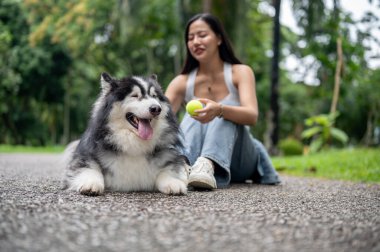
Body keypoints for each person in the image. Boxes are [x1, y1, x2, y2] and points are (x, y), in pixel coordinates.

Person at [165, 13, 280, 190]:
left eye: (202, 35)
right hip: (193, 158)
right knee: (192, 112)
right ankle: (182, 166)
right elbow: (160, 122)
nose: (195, 42)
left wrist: (219, 109)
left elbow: (252, 115)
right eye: (190, 38)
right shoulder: (181, 82)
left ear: (218, 39)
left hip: (240, 160)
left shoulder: (240, 72)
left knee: (228, 110)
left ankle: (208, 165)